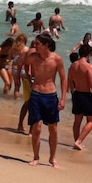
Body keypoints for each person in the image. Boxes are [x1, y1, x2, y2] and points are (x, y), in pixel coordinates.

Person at [24, 33, 67, 168]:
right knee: (36, 128)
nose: (34, 45)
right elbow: (23, 63)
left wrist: (63, 98)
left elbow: (63, 78)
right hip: (36, 94)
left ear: (46, 45)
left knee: (53, 129)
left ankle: (52, 158)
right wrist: (29, 77)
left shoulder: (57, 59)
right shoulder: (33, 57)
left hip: (50, 96)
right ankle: (36, 157)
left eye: (37, 44)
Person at [68, 43, 92, 150]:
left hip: (77, 94)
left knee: (77, 120)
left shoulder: (73, 65)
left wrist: (73, 91)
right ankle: (79, 141)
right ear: (90, 53)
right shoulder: (88, 66)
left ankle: (76, 141)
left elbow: (69, 80)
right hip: (86, 95)